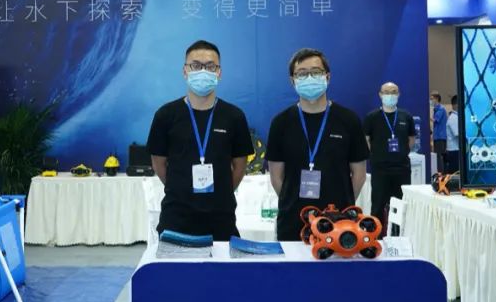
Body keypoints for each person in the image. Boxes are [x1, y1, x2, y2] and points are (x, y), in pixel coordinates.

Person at [147, 40, 254, 241]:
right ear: (185, 71)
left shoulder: (234, 116)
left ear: (219, 73)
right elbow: (158, 163)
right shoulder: (165, 115)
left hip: (220, 218)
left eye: (210, 66)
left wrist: (221, 192)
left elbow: (239, 166)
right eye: (196, 65)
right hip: (176, 217)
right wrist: (180, 189)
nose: (203, 71)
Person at [266, 48, 369, 242]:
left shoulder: (348, 120)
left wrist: (342, 206)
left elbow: (359, 175)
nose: (309, 78)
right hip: (292, 222)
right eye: (302, 73)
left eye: (316, 72)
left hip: (339, 223)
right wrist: (293, 203)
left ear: (327, 77)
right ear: (292, 81)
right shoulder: (281, 123)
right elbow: (276, 177)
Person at [363, 82, 417, 233]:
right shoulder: (372, 117)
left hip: (402, 168)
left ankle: (399, 235)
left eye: (393, 92)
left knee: (401, 205)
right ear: (380, 95)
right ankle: (376, 236)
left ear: (398, 94)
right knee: (378, 205)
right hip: (380, 169)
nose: (390, 95)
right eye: (386, 92)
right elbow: (366, 139)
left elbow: (411, 139)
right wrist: (377, 154)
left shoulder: (406, 116)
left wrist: (402, 153)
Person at [430, 91, 448, 175]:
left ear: (436, 99)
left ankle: (441, 173)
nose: (430, 101)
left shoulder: (441, 109)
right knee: (438, 155)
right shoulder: (436, 109)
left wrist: (426, 115)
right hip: (437, 136)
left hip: (440, 136)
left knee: (439, 156)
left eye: (432, 99)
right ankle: (441, 172)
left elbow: (435, 120)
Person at [446, 95, 461, 175]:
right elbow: (458, 134)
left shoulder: (457, 117)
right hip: (454, 150)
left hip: (456, 150)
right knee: (454, 174)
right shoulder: (453, 118)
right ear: (456, 105)